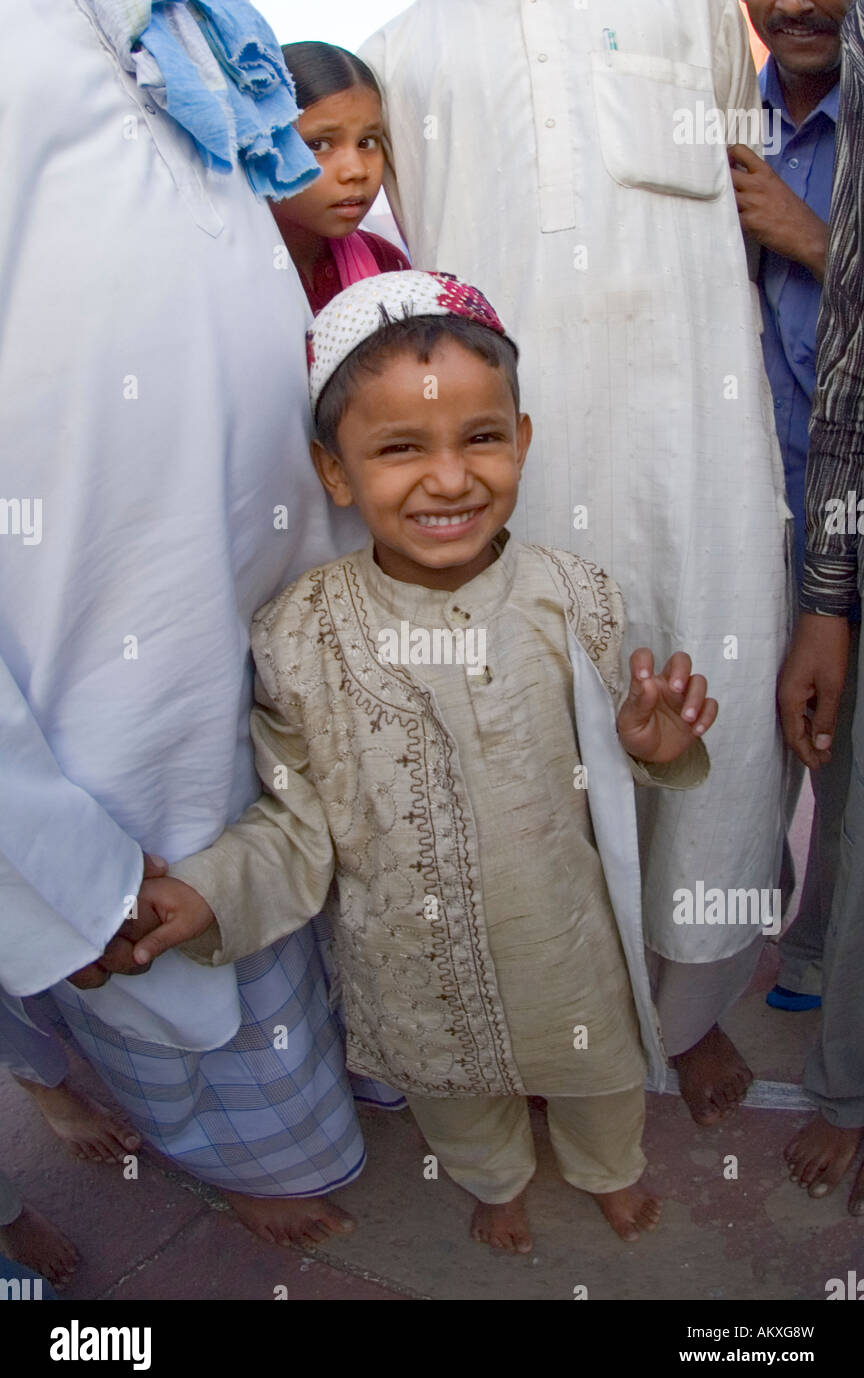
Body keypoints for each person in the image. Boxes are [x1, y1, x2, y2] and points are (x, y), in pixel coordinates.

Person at [129, 271, 718, 1252]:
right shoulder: (299, 635)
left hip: (561, 940)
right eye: (401, 449)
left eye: (480, 438)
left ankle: (607, 1168)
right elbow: (296, 821)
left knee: (598, 1073)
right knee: (455, 1095)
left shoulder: (575, 600)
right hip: (411, 965)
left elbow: (624, 775)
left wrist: (654, 747)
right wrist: (209, 896)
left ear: (521, 443)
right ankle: (497, 1181)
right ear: (335, 471)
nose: (449, 479)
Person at [0, 0, 399, 1251]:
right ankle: (178, 1139)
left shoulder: (200, 26)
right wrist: (58, 869)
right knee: (152, 938)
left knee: (305, 867)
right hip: (97, 685)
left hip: (261, 619)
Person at [358, 1, 789, 1127]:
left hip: (696, 438)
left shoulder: (695, 8)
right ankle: (564, 1020)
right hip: (517, 459)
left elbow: (740, 178)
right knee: (532, 734)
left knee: (709, 692)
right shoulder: (403, 49)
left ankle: (688, 1012)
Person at [736, 0, 854, 1014]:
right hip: (748, 503)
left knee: (846, 763)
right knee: (754, 737)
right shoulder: (721, 115)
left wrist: (821, 244)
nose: (800, 3)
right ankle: (750, 945)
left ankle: (824, 962)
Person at [778, 0, 864, 1216]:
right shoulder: (706, 121)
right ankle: (807, 955)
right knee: (816, 758)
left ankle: (847, 1086)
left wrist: (816, 242)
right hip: (778, 497)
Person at [272, 42, 409, 312]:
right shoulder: (223, 274)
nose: (356, 171)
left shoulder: (387, 266)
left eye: (367, 142)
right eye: (318, 145)